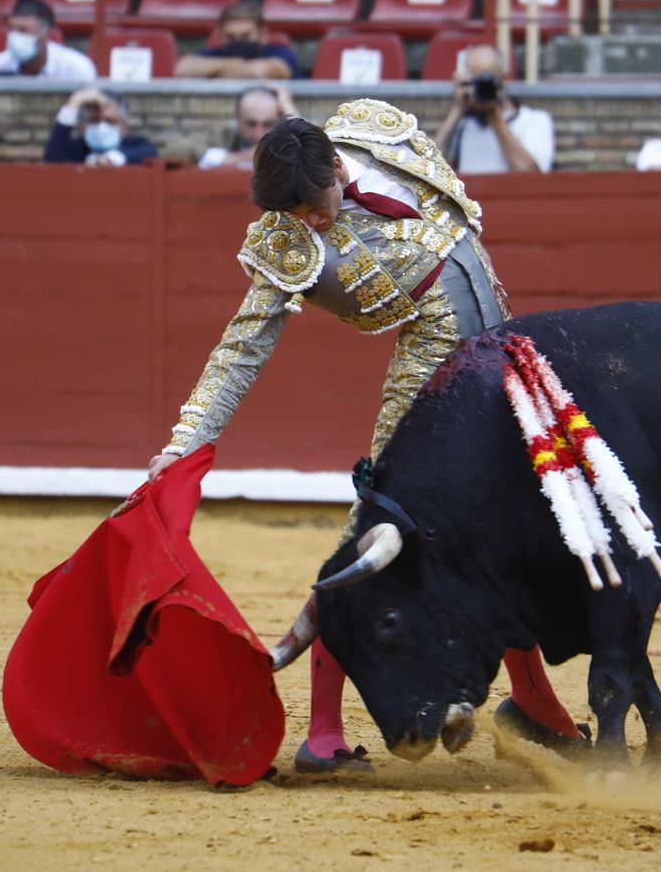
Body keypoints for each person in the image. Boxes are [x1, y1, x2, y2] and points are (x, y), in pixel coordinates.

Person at [146, 98, 588, 774]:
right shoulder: (288, 242)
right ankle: (324, 731)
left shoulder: (374, 129)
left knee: (500, 531)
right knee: (377, 533)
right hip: (432, 371)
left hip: (500, 351)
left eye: (315, 206)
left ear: (333, 163)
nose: (310, 223)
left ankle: (534, 704)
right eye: (292, 217)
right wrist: (184, 443)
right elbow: (240, 350)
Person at [433, 44, 553, 173]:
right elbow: (429, 169)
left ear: (504, 80)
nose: (482, 87)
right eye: (475, 80)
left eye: (488, 79)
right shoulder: (463, 124)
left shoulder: (533, 120)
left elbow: (531, 176)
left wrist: (493, 113)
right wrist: (457, 108)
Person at [173, 1, 299, 80]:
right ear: (221, 36)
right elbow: (182, 70)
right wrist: (241, 66)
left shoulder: (280, 53)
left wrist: (213, 74)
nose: (238, 42)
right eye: (230, 37)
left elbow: (260, 73)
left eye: (245, 36)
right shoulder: (215, 53)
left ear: (262, 34)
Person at [0, 0, 97, 78]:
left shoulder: (76, 67)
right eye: (11, 29)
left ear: (45, 34)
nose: (14, 36)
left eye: (23, 30)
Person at [43, 87, 156, 165]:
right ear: (82, 126)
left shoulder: (136, 144)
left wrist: (111, 158)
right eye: (94, 121)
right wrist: (74, 102)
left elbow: (149, 152)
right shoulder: (77, 148)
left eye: (110, 121)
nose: (102, 128)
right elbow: (53, 156)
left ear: (123, 126)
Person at [197, 84, 294, 169]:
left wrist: (288, 108)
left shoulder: (285, 139)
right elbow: (190, 151)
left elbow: (307, 150)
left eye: (267, 125)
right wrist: (242, 157)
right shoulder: (221, 134)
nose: (258, 134)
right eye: (251, 124)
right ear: (238, 120)